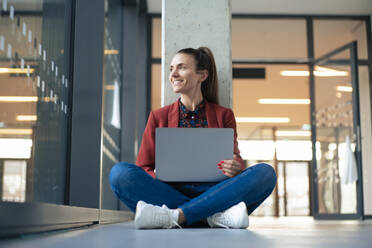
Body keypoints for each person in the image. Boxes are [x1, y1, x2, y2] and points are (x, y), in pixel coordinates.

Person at [109, 47, 276, 229]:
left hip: (215, 190)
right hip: (170, 190)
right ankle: (212, 217)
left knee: (265, 173)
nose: (173, 74)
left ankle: (176, 216)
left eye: (181, 67)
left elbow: (235, 158)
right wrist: (158, 176)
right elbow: (143, 167)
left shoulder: (224, 115)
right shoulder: (158, 117)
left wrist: (235, 166)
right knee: (119, 174)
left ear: (202, 75)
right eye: (171, 69)